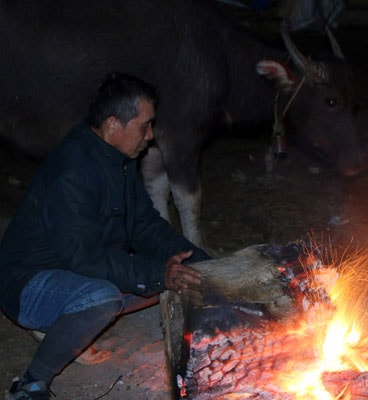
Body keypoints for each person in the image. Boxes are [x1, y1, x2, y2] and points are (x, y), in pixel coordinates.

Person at [0, 72, 211, 400]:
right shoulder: (73, 171)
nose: (151, 136)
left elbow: (143, 225)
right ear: (113, 124)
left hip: (73, 271)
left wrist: (198, 260)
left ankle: (65, 324)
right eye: (145, 125)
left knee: (182, 277)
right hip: (27, 283)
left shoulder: (121, 160)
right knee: (104, 297)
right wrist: (158, 273)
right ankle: (31, 384)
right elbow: (85, 258)